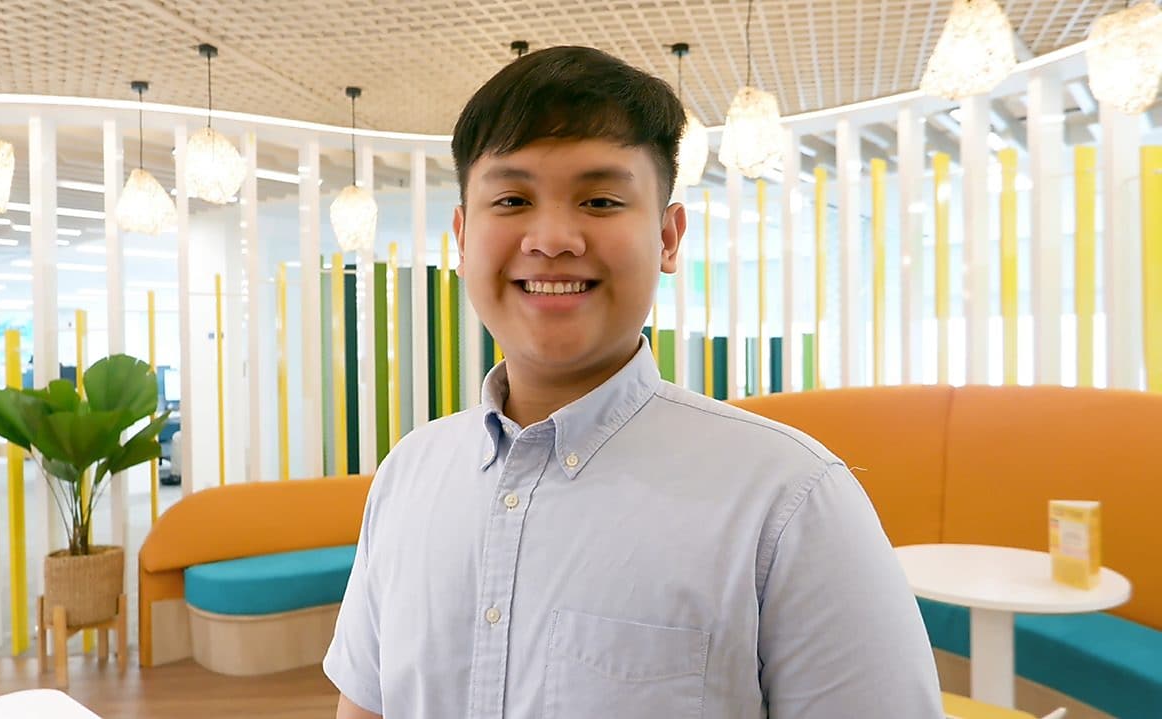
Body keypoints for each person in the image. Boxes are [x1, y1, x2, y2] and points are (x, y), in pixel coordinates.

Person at [324, 45, 942, 719]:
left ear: (669, 237)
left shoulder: (791, 503)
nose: (553, 237)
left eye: (600, 199)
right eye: (511, 198)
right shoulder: (408, 475)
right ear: (463, 236)